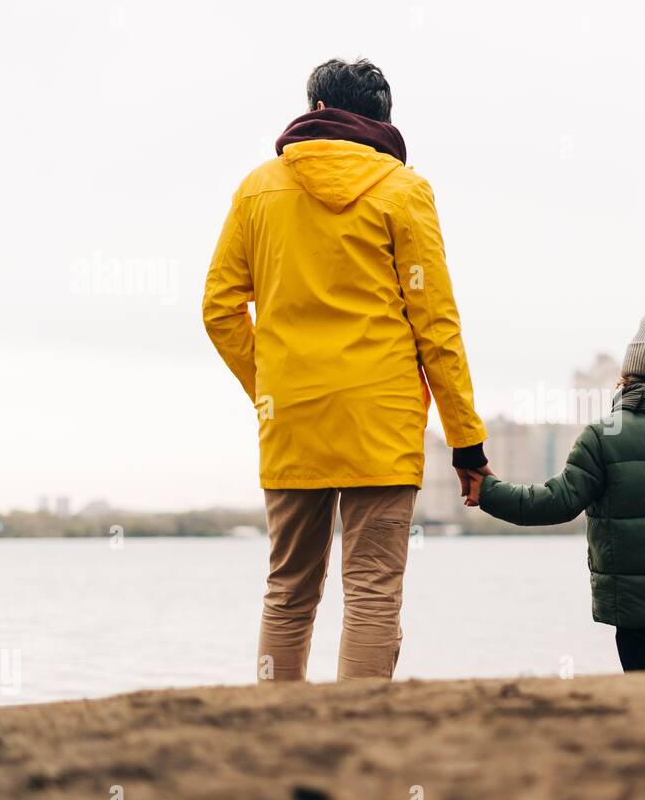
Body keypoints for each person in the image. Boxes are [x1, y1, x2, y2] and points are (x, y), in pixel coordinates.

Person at [203, 57, 490, 682]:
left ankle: (278, 724)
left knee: (287, 589)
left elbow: (219, 308)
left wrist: (270, 387)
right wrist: (466, 440)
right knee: (372, 589)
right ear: (383, 117)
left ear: (313, 111)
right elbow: (435, 325)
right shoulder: (404, 190)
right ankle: (359, 727)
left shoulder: (258, 188)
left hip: (293, 418)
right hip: (380, 420)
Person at [462, 302, 645, 671]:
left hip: (633, 607)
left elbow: (556, 503)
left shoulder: (603, 436)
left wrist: (488, 491)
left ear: (630, 373)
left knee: (643, 683)